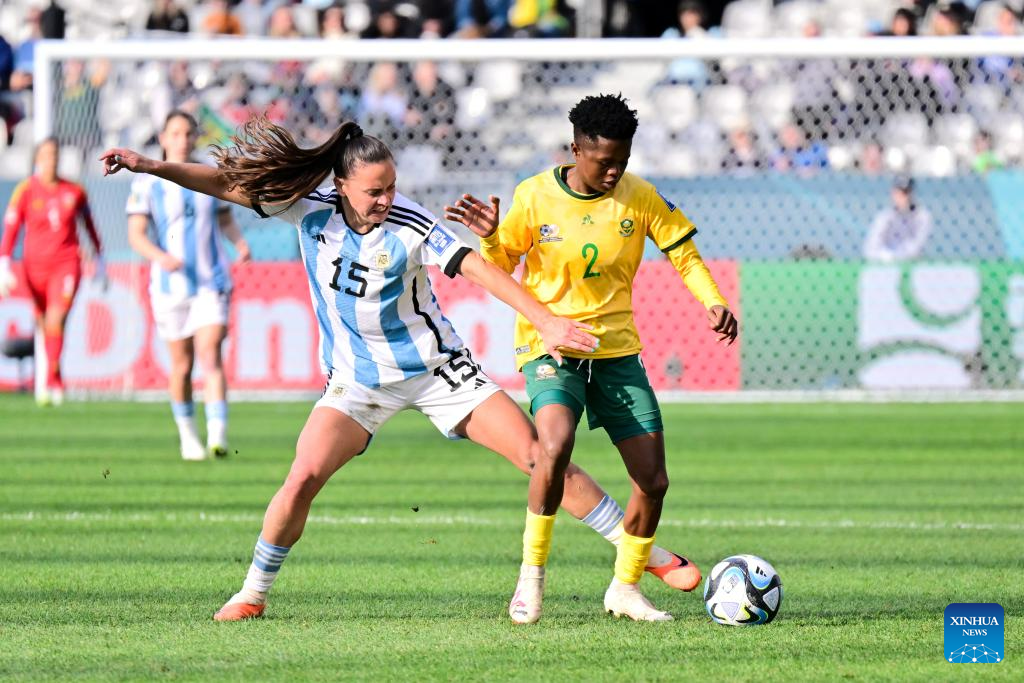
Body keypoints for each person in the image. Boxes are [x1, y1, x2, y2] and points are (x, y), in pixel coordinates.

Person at [100, 116, 701, 624]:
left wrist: (542, 319)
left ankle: (635, 549)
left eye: (392, 186)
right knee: (302, 477)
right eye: (374, 191)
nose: (387, 199)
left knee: (541, 456)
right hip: (357, 381)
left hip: (439, 371)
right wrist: (152, 167)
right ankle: (253, 593)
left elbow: (478, 269)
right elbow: (226, 183)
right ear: (341, 185)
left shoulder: (412, 222)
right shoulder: (306, 209)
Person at [445, 93, 738, 622]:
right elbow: (500, 264)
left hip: (617, 351)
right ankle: (530, 578)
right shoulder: (532, 196)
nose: (613, 172)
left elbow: (684, 254)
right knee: (553, 444)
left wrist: (713, 301)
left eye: (622, 161)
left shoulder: (640, 197)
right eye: (604, 162)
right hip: (550, 345)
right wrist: (490, 236)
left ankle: (624, 588)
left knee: (653, 481)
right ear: (576, 148)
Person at [124, 111, 250, 460]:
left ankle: (218, 435)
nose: (182, 139)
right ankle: (188, 437)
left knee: (211, 354)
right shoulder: (147, 182)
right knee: (181, 365)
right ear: (163, 138)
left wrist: (239, 243)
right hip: (170, 286)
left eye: (188, 133)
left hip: (212, 281)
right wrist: (160, 257)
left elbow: (226, 218)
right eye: (175, 133)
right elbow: (135, 234)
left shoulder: (208, 176)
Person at [0, 138, 104, 406]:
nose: (51, 159)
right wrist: (3, 264)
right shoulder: (25, 191)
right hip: (33, 268)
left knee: (56, 320)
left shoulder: (75, 191)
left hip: (67, 264)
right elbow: (11, 229)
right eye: (46, 154)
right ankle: (52, 376)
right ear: (37, 159)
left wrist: (100, 261)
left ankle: (52, 381)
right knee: (46, 325)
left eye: (55, 154)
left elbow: (90, 227)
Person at [863, 175, 933, 263]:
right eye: (898, 192)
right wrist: (886, 255)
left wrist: (899, 256)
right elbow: (871, 246)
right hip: (885, 263)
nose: (902, 197)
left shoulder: (922, 216)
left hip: (911, 262)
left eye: (905, 193)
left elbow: (917, 246)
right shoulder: (885, 216)